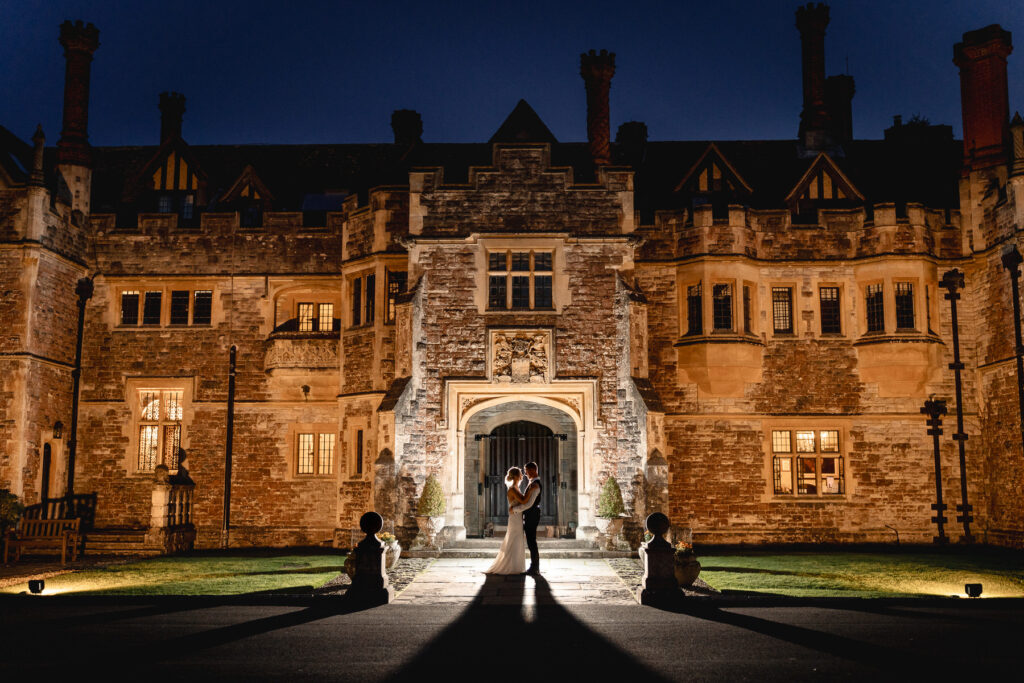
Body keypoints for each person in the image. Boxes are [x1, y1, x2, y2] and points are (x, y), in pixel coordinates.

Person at [482, 467, 528, 575]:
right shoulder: (512, 489)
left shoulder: (516, 487)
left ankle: (516, 565)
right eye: (521, 473)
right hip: (515, 518)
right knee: (513, 539)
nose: (522, 475)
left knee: (517, 539)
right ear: (516, 476)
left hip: (517, 516)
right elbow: (523, 500)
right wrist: (532, 492)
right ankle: (510, 565)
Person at [511, 461, 541, 575]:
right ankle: (535, 567)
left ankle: (535, 568)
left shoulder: (536, 484)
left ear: (533, 470)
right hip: (530, 515)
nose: (526, 473)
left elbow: (529, 504)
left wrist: (515, 510)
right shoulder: (532, 483)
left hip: (532, 516)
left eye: (527, 471)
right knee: (531, 541)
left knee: (531, 542)